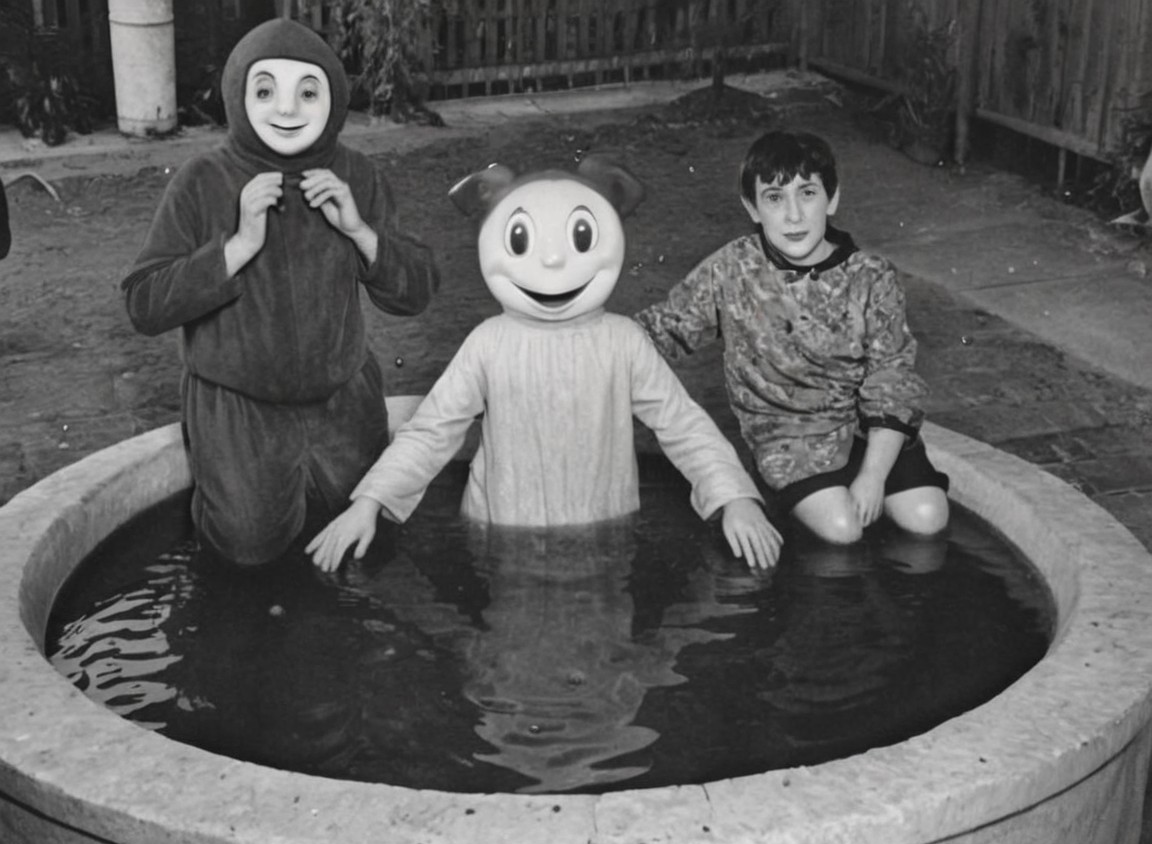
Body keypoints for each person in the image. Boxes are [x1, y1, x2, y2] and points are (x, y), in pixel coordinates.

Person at [306, 155, 781, 573]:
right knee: (510, 655)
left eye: (578, 236)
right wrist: (369, 502)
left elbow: (683, 423)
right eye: (522, 239)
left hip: (605, 532)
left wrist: (735, 497)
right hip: (502, 536)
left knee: (606, 650)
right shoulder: (488, 344)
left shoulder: (622, 342)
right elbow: (433, 431)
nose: (553, 262)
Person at [122, 19, 438, 566]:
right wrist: (235, 248)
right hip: (241, 408)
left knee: (367, 536)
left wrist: (361, 232)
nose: (287, 110)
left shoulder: (355, 175)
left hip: (342, 401)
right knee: (244, 548)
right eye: (266, 90)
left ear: (332, 99)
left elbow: (415, 292)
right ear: (239, 95)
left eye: (307, 92)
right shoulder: (202, 180)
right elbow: (143, 302)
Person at [634, 130, 949, 545]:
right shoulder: (732, 267)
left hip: (864, 432)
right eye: (775, 198)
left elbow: (892, 380)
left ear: (832, 199)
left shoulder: (872, 275)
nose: (795, 216)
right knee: (843, 530)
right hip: (788, 438)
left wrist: (873, 477)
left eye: (808, 193)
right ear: (753, 207)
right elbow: (664, 327)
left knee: (928, 518)